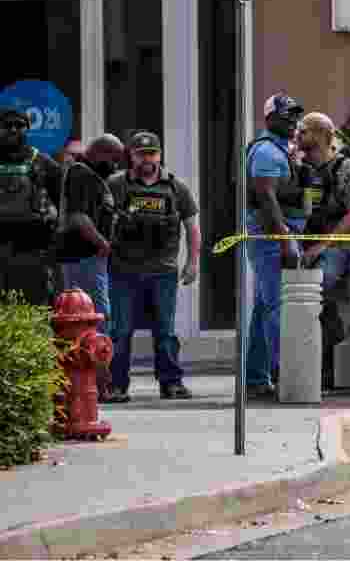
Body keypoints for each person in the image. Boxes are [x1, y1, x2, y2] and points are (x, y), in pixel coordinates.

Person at [104, 132, 200, 402]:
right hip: (123, 270)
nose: (147, 159)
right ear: (131, 156)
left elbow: (192, 228)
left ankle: (171, 383)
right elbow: (101, 221)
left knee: (165, 330)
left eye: (152, 153)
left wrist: (193, 262)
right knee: (120, 331)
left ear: (159, 155)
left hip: (163, 270)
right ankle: (116, 385)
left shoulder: (176, 187)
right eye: (141, 154)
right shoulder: (115, 184)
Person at [296, 112, 350, 389]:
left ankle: (327, 366)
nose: (298, 136)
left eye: (304, 131)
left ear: (322, 135)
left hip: (338, 244)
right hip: (306, 243)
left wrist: (323, 245)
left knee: (318, 291)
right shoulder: (301, 168)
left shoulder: (347, 169)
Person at [244, 93, 306, 399]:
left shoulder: (282, 149)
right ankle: (287, 377)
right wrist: (285, 240)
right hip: (272, 236)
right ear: (269, 119)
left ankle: (256, 377)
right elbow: (266, 198)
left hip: (278, 233)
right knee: (277, 308)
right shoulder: (267, 151)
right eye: (286, 116)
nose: (293, 121)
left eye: (295, 115)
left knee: (263, 307)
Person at [56, 134, 124, 395]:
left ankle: (95, 383)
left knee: (95, 319)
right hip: (82, 258)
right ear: (100, 153)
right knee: (93, 321)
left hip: (90, 259)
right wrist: (102, 244)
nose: (115, 166)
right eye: (113, 160)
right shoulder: (81, 174)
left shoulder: (92, 177)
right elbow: (78, 218)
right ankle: (95, 384)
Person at [0, 106, 63, 307]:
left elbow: (63, 204)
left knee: (34, 308)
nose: (13, 130)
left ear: (27, 129)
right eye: (7, 125)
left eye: (19, 125)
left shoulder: (44, 163)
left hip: (33, 250)